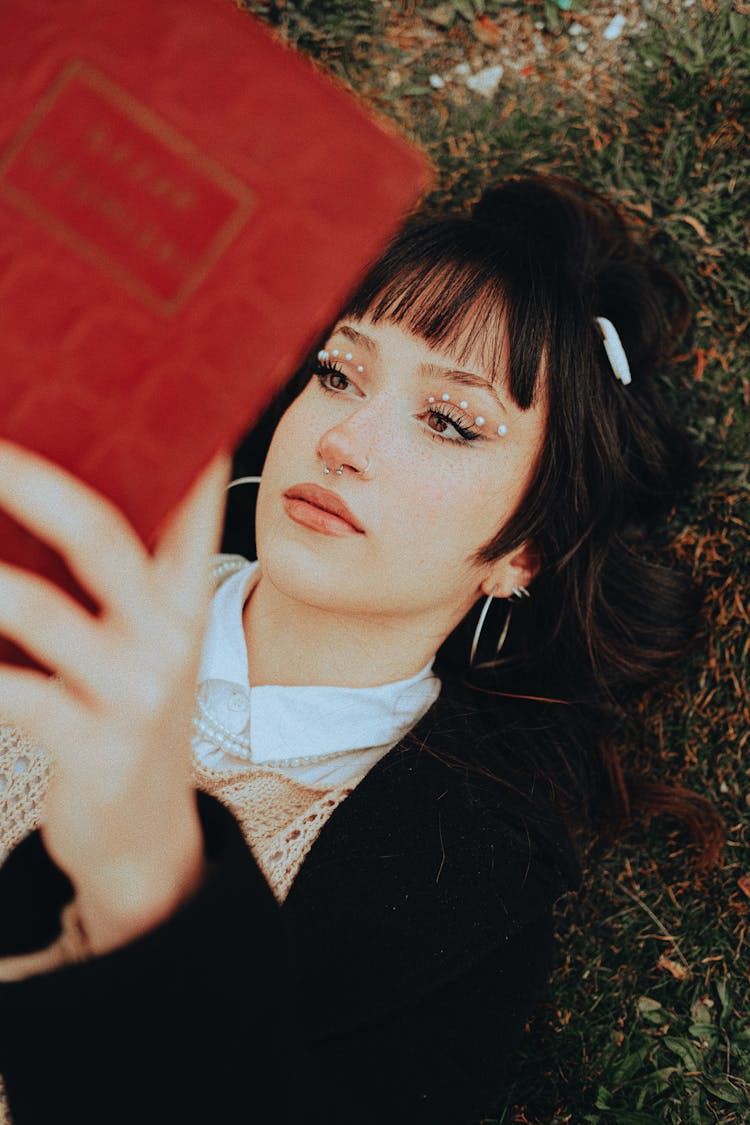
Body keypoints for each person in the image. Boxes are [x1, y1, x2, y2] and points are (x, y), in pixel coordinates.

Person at [0, 175, 722, 1125]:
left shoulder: (466, 888)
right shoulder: (59, 558)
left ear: (522, 551)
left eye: (449, 421)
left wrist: (144, 879)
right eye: (338, 372)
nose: (341, 439)